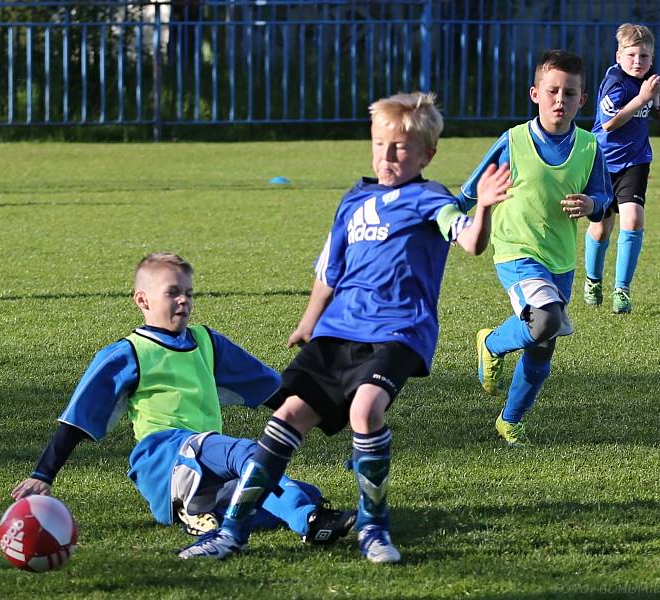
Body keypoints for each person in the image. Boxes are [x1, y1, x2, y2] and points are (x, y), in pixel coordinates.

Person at [178, 91, 512, 563]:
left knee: (365, 410)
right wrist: (308, 322)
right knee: (286, 418)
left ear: (427, 153)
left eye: (400, 148)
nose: (387, 156)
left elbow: (472, 242)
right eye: (380, 144)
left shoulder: (430, 199)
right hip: (338, 333)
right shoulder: (354, 199)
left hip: (397, 332)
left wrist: (485, 207)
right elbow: (329, 271)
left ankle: (374, 529)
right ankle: (230, 532)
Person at [11, 252, 356, 549]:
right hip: (162, 459)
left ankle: (204, 512)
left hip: (207, 468)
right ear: (142, 300)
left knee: (295, 489)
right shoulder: (128, 353)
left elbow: (275, 392)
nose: (184, 301)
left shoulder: (207, 342)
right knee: (255, 456)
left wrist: (339, 417)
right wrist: (43, 474)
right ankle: (310, 521)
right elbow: (78, 418)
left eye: (189, 293)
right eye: (173, 293)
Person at [457, 50, 613, 447]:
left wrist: (592, 205)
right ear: (535, 93)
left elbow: (604, 200)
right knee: (544, 321)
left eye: (571, 93)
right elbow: (470, 190)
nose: (561, 100)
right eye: (553, 91)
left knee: (543, 348)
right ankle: (491, 343)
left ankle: (510, 421)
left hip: (560, 259)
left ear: (583, 100)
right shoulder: (513, 140)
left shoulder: (590, 146)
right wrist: (443, 219)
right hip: (515, 251)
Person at [584, 23, 660, 314]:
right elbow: (610, 123)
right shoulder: (614, 81)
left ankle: (622, 289)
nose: (637, 61)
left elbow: (647, 110)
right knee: (601, 229)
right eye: (631, 55)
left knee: (633, 220)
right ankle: (593, 280)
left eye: (644, 57)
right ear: (618, 55)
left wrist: (656, 108)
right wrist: (643, 99)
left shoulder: (647, 81)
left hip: (636, 161)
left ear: (652, 58)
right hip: (603, 163)